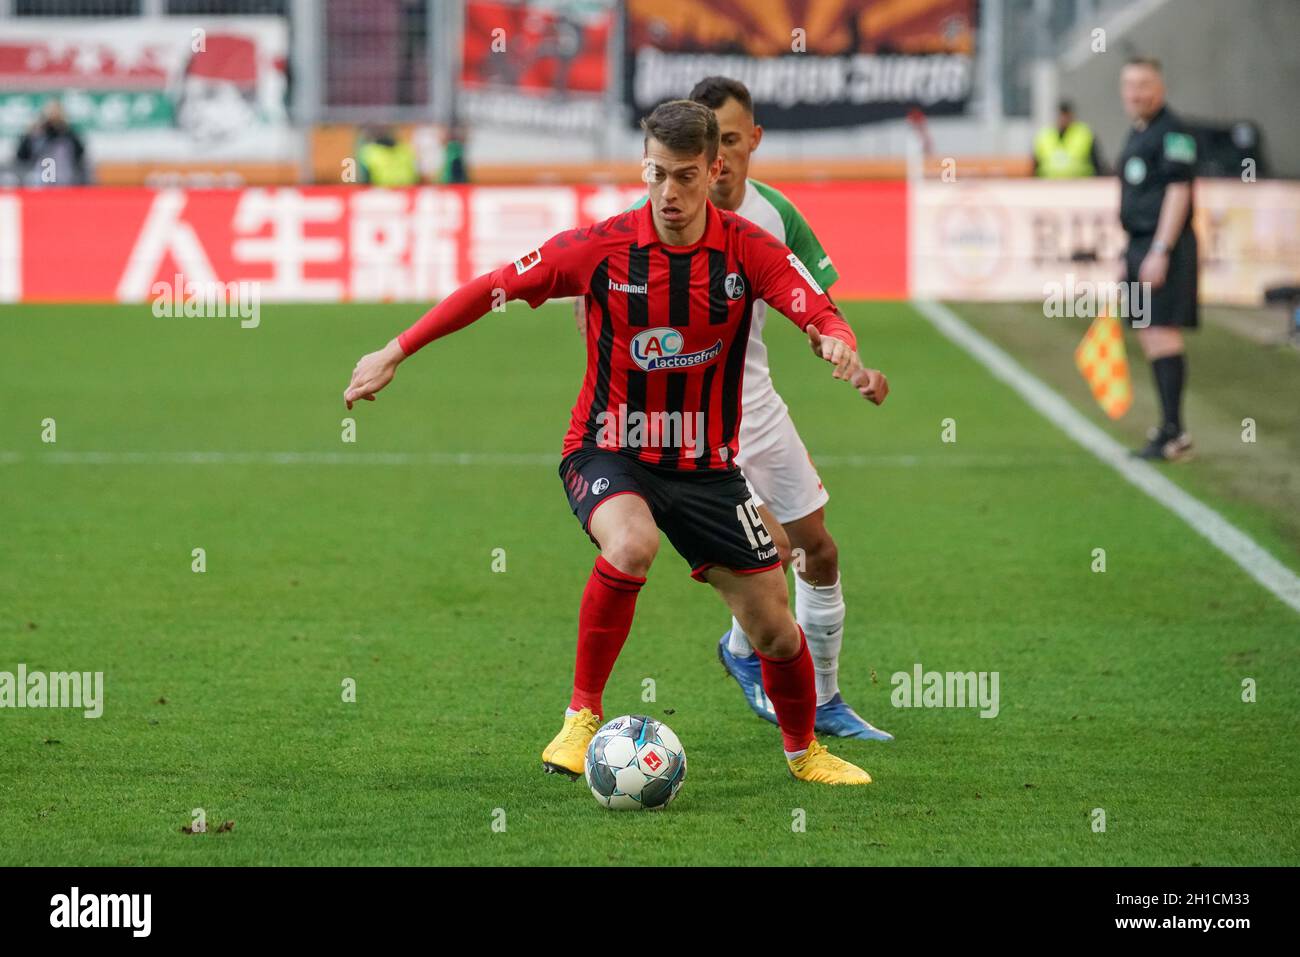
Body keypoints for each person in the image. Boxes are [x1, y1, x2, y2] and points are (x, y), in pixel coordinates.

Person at [344, 100, 888, 785]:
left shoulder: (748, 250)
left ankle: (805, 752)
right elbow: (495, 287)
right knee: (632, 544)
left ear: (713, 169)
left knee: (774, 626)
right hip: (608, 448)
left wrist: (837, 339)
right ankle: (581, 717)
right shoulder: (602, 247)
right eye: (656, 174)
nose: (669, 193)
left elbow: (813, 304)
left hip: (706, 467)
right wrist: (396, 348)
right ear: (644, 166)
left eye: (686, 176)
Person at [578, 76, 892, 741]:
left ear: (749, 141)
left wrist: (848, 357)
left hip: (759, 409)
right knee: (768, 551)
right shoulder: (658, 212)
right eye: (705, 144)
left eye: (729, 140)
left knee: (818, 550)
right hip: (693, 427)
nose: (717, 158)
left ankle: (819, 695)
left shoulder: (775, 217)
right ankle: (755, 653)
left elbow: (816, 308)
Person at [1117, 58, 1198, 461]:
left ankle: (1174, 431)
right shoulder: (1139, 132)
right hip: (1138, 245)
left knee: (1162, 329)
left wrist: (1160, 250)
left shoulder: (1174, 132)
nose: (1136, 92)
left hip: (1162, 247)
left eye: (1144, 84)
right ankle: (1169, 427)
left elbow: (1179, 191)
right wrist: (1127, 252)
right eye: (1130, 85)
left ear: (1160, 87)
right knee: (1149, 332)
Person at [15, 100, 89, 187]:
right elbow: (22, 156)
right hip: (40, 182)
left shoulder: (69, 135)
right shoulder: (37, 135)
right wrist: (28, 135)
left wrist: (65, 130)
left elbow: (80, 154)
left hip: (65, 181)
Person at [1033, 101, 1104, 177]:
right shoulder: (1045, 136)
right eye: (1061, 115)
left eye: (1066, 115)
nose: (1063, 119)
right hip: (1049, 185)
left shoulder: (1084, 134)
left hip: (1080, 185)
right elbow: (1036, 163)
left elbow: (1096, 163)